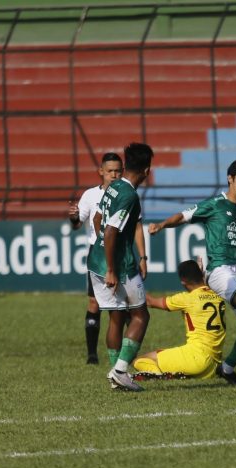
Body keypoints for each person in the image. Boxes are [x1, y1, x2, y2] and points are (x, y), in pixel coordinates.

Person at [148, 159, 236, 385]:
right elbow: (183, 216)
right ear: (230, 179)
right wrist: (162, 225)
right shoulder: (214, 205)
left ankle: (227, 367)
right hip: (219, 270)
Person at [88, 142, 154, 391]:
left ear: (126, 166)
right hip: (120, 266)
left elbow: (98, 220)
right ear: (147, 170)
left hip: (96, 261)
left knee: (116, 318)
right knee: (140, 315)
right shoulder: (129, 195)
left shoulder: (113, 186)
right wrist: (113, 268)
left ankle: (116, 375)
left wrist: (103, 250)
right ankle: (120, 371)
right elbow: (112, 229)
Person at [68, 153, 122, 364]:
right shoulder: (90, 195)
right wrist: (73, 215)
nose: (114, 175)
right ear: (101, 172)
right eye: (110, 171)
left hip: (120, 251)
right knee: (94, 302)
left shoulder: (126, 193)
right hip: (97, 252)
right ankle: (92, 354)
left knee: (121, 305)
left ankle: (120, 353)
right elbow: (77, 223)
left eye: (117, 171)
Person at [132, 259, 226, 380]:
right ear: (201, 275)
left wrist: (131, 285)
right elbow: (204, 292)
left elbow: (149, 301)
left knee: (141, 360)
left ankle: (158, 376)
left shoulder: (187, 299)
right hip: (213, 366)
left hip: (196, 359)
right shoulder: (217, 295)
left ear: (183, 281)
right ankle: (176, 374)